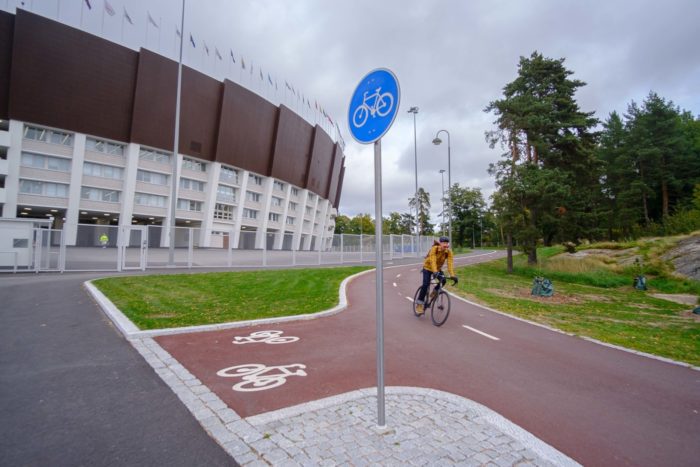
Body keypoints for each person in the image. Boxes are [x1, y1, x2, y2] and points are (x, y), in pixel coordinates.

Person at [416, 236, 458, 315]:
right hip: (428, 268)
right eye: (444, 243)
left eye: (447, 243)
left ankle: (434, 292)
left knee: (444, 280)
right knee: (425, 284)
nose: (445, 245)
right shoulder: (434, 249)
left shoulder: (448, 252)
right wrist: (434, 271)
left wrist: (452, 275)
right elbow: (432, 260)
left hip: (437, 269)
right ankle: (419, 304)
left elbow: (450, 264)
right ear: (440, 243)